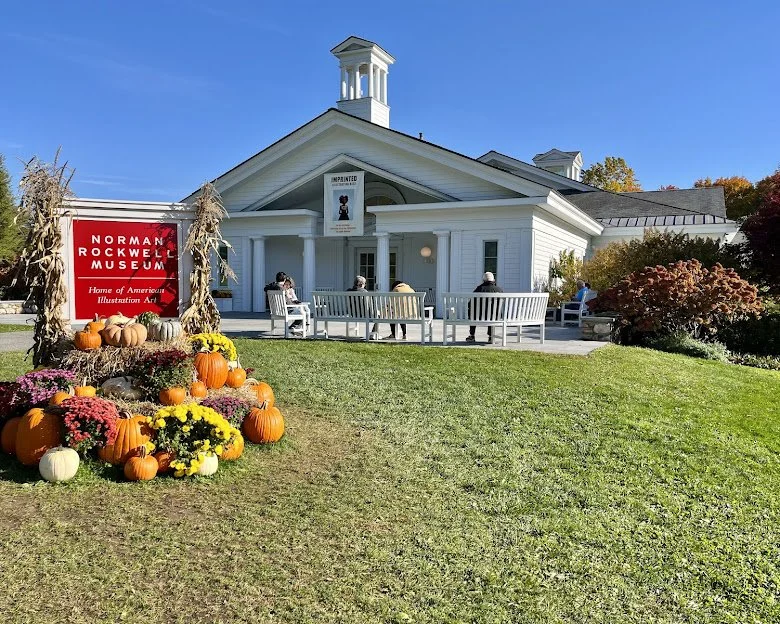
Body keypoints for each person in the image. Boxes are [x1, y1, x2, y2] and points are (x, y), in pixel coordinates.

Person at [466, 272, 504, 343]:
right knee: (493, 312)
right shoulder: (499, 290)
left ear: (483, 280)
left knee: (473, 312)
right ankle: (491, 336)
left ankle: (472, 335)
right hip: (495, 317)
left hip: (478, 317)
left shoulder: (479, 289)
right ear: (494, 280)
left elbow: (470, 303)